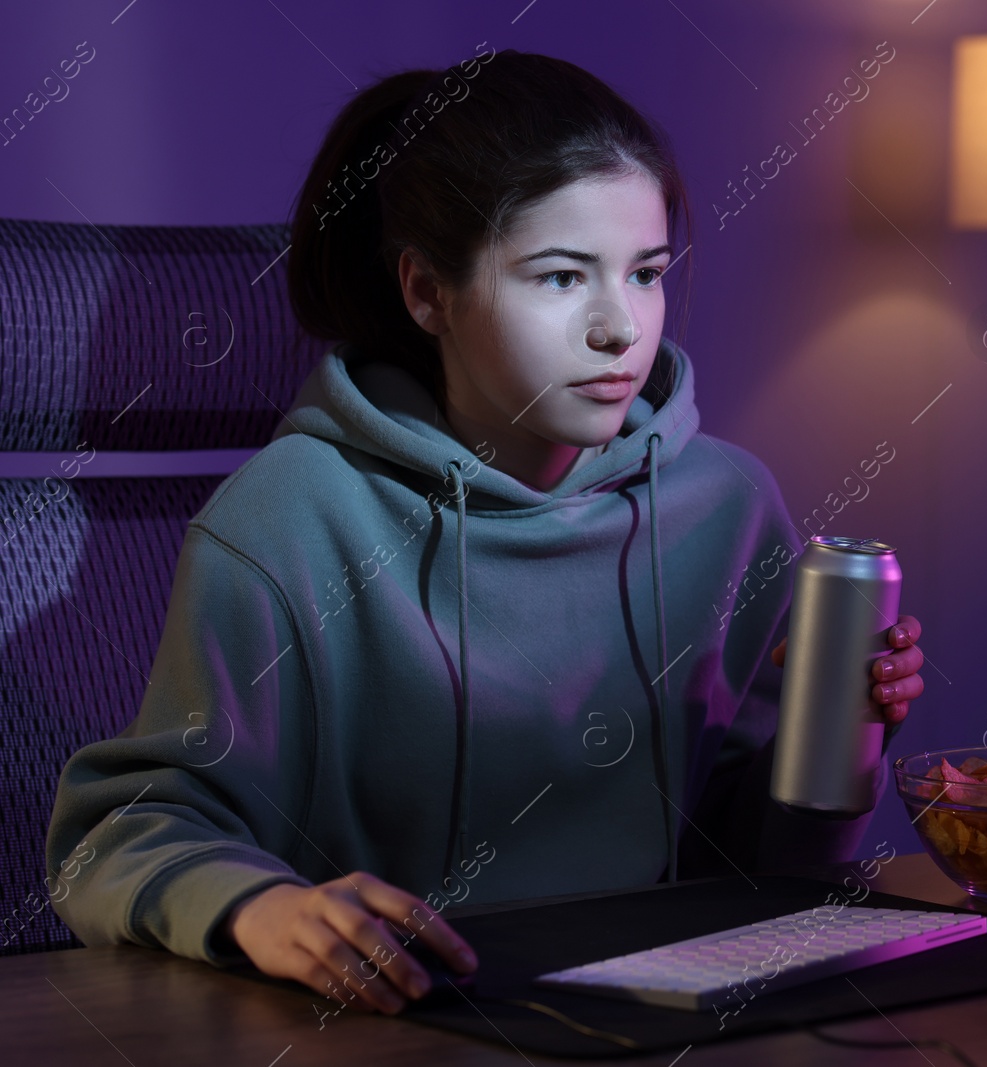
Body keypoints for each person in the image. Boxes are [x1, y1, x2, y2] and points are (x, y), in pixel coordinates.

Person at [43, 47, 925, 1018]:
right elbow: (117, 836)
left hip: (659, 1020)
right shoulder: (288, 515)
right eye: (559, 278)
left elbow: (762, 875)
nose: (618, 328)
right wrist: (262, 905)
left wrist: (836, 748)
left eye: (644, 273)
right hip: (394, 1024)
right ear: (427, 292)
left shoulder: (728, 501)